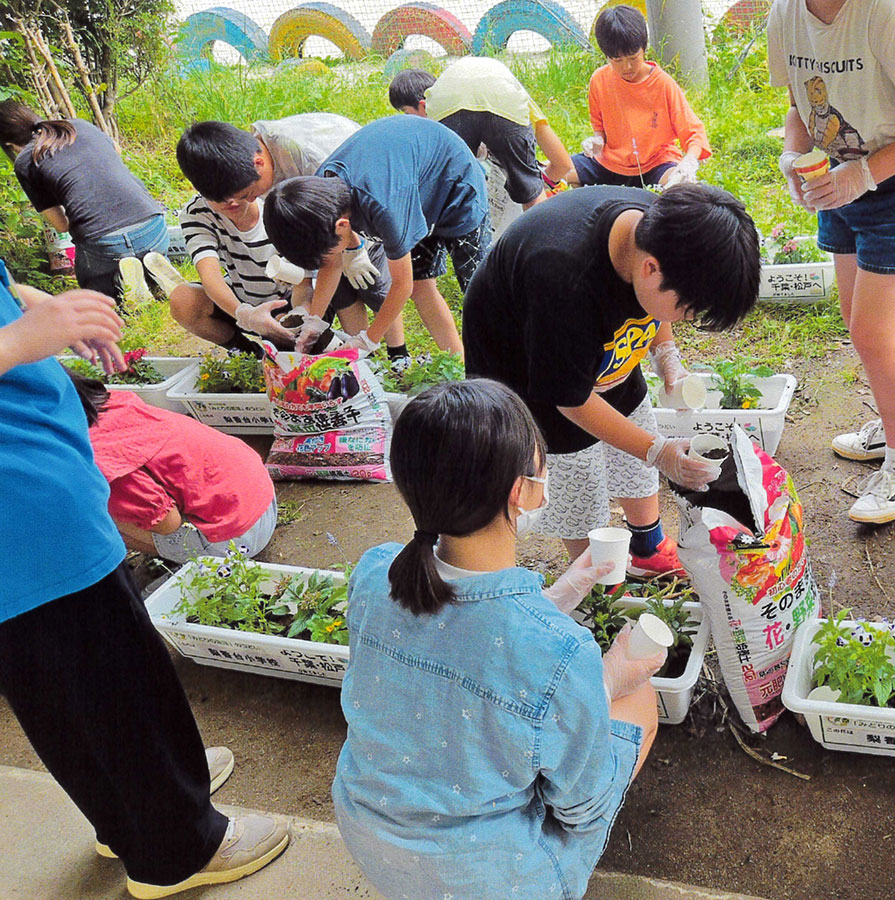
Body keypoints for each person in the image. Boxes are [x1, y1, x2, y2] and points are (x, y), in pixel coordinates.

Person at [0, 259, 289, 899]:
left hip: (33, 504)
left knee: (67, 688)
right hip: (22, 517)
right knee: (116, 684)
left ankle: (138, 808)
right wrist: (19, 341)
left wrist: (38, 308)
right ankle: (177, 846)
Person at [333, 379, 662, 900]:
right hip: (487, 879)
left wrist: (561, 592)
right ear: (522, 490)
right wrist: (605, 681)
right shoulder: (560, 650)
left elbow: (459, 644)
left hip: (367, 832)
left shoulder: (376, 571)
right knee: (638, 701)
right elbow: (581, 805)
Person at [462, 183, 760, 578]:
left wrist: (665, 353)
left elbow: (658, 307)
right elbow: (570, 399)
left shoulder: (663, 229)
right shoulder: (563, 280)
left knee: (633, 416)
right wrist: (661, 453)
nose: (684, 320)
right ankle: (595, 576)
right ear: (650, 269)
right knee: (576, 471)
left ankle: (648, 547)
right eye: (688, 311)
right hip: (526, 361)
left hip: (590, 343)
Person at [767, 0, 895, 524]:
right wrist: (794, 158)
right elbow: (800, 108)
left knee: (873, 331)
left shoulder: (891, 11)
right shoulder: (785, 14)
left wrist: (868, 173)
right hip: (840, 172)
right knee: (856, 319)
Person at [159, 118, 393, 359]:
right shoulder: (205, 208)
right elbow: (209, 276)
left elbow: (307, 272)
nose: (235, 203)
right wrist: (245, 315)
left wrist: (302, 311)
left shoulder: (277, 192)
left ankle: (372, 356)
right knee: (183, 299)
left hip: (303, 294)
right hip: (248, 300)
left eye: (242, 195)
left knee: (343, 272)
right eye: (221, 199)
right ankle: (252, 355)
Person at [262, 115, 490, 358]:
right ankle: (460, 363)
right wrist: (314, 322)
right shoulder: (319, 192)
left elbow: (402, 285)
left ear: (342, 225)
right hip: (415, 183)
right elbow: (331, 262)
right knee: (423, 286)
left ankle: (494, 369)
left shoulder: (383, 208)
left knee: (479, 293)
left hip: (456, 182)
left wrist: (368, 340)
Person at [68, 371, 278, 563]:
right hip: (261, 496)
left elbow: (168, 523)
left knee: (90, 518)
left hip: (236, 539)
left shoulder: (100, 459)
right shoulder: (114, 402)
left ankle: (199, 566)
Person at [0, 100, 166, 302]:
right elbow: (117, 151)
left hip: (107, 245)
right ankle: (152, 274)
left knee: (92, 285)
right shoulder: (79, 125)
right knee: (137, 250)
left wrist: (79, 211)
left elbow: (61, 225)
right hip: (155, 226)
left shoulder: (25, 161)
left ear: (8, 144)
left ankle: (120, 283)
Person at [389, 58, 573, 209]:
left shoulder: (440, 105)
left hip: (456, 108)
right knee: (530, 194)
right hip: (502, 100)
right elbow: (563, 163)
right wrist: (534, 182)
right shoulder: (508, 91)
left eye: (407, 114)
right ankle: (537, 247)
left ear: (423, 106)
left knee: (455, 191)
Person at [566, 4, 711, 189]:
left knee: (683, 188)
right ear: (606, 56)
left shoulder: (662, 84)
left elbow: (694, 132)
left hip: (657, 165)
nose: (627, 67)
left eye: (633, 58)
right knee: (552, 173)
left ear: (644, 48)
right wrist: (597, 141)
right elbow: (599, 126)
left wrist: (689, 162)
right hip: (608, 163)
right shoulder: (599, 80)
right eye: (617, 61)